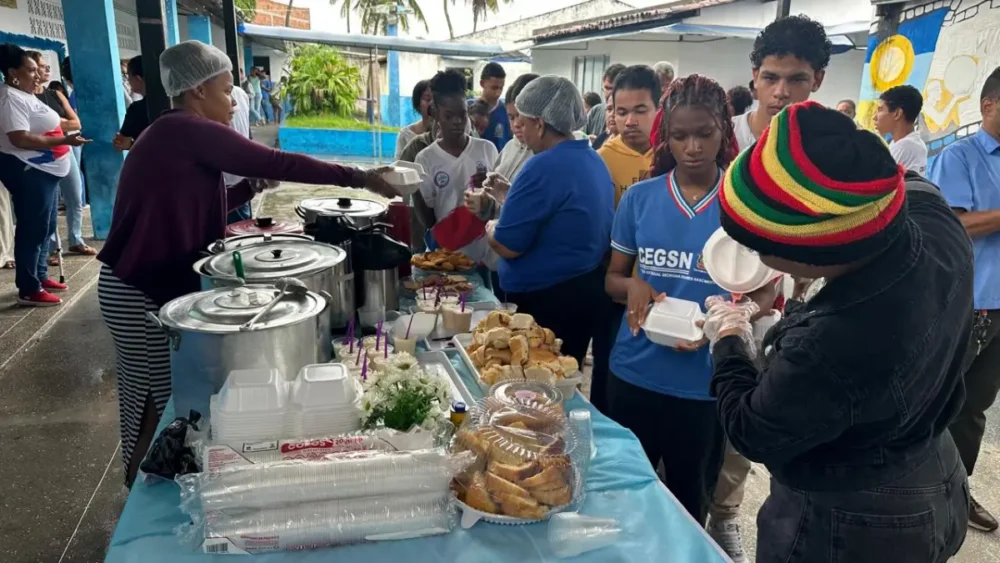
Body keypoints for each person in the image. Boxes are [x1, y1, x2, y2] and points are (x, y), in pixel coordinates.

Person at [95, 41, 397, 486]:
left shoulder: (175, 134)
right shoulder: (183, 127)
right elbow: (276, 158)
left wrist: (245, 192)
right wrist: (357, 177)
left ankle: (150, 489)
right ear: (197, 90)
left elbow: (194, 202)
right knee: (155, 404)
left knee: (160, 399)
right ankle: (142, 502)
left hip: (144, 283)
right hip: (136, 287)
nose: (233, 100)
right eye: (225, 89)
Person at [708, 100, 971, 562]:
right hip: (936, 467)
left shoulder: (833, 342)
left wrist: (729, 339)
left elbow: (752, 430)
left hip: (858, 515)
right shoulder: (930, 214)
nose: (751, 256)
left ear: (812, 254)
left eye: (758, 248)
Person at [604, 74, 772, 524]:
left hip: (705, 383)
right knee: (622, 495)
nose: (693, 146)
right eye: (680, 136)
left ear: (724, 132)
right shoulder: (639, 199)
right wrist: (634, 286)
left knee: (687, 503)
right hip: (635, 372)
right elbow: (612, 280)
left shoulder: (744, 206)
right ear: (666, 138)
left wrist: (732, 317)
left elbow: (767, 289)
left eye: (705, 134)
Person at [709, 17, 833, 561]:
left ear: (819, 80)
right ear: (754, 77)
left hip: (780, 306)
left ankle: (724, 514)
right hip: (703, 288)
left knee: (748, 411)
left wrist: (788, 287)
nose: (783, 91)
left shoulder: (823, 147)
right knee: (693, 404)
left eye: (797, 79)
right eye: (772, 77)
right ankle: (680, 493)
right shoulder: (720, 137)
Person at [488, 75, 612, 366]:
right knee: (565, 376)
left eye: (524, 121)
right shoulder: (593, 159)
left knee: (537, 386)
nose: (519, 129)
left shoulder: (543, 165)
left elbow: (508, 245)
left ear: (540, 124)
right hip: (583, 292)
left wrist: (491, 228)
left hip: (549, 301)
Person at [929, 65, 1000, 533]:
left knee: (975, 407)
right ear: (988, 105)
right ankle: (923, 494)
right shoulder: (960, 157)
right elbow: (953, 225)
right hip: (968, 302)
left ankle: (958, 493)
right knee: (939, 401)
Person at [591, 65, 660, 413]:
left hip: (662, 294)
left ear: (658, 109)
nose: (630, 120)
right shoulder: (602, 159)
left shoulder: (672, 158)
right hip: (614, 292)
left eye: (640, 110)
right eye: (621, 111)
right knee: (608, 378)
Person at [0, 44, 89, 306]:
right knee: (32, 228)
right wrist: (63, 141)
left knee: (47, 226)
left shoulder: (23, 94)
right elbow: (20, 138)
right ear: (13, 72)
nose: (37, 75)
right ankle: (29, 288)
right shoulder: (9, 98)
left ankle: (39, 275)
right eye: (30, 70)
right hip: (29, 172)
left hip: (45, 172)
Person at [464, 73, 540, 298]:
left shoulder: (545, 157)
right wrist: (483, 202)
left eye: (521, 116)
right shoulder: (508, 149)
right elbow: (495, 200)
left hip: (525, 265)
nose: (516, 124)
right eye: (511, 116)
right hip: (497, 259)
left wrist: (505, 197)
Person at [414, 69, 498, 262]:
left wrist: (489, 188)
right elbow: (429, 221)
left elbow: (501, 205)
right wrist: (414, 190)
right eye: (449, 116)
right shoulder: (425, 159)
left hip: (485, 257)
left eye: (462, 114)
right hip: (447, 258)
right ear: (435, 113)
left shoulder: (487, 150)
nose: (457, 122)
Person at [27, 51, 95, 260]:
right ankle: (52, 248)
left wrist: (49, 124)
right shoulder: (26, 98)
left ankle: (76, 239)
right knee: (51, 203)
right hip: (40, 153)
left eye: (47, 66)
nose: (47, 70)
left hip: (64, 149)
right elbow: (28, 127)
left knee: (75, 195)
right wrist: (58, 124)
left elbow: (76, 123)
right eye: (41, 66)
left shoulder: (56, 95)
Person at [875, 85, 927, 174]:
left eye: (880, 110)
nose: (874, 117)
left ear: (897, 114)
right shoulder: (904, 143)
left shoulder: (905, 146)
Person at [225, 83, 254, 224]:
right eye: (226, 91)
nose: (234, 102)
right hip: (235, 177)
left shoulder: (240, 94)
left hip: (233, 179)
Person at [114, 56, 150, 150]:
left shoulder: (136, 110)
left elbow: (122, 143)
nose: (128, 80)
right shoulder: (174, 103)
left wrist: (129, 144)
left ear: (138, 79)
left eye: (128, 76)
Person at [394, 80, 433, 159]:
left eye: (436, 99)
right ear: (418, 104)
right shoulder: (405, 134)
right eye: (428, 99)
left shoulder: (445, 134)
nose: (432, 103)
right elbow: (398, 165)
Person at [586, 63, 625, 138]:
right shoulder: (595, 112)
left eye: (614, 88)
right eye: (607, 88)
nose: (610, 93)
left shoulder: (630, 115)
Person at [477, 62, 510, 150]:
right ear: (482, 84)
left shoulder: (508, 112)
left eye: (501, 88)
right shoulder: (468, 109)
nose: (498, 93)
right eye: (494, 88)